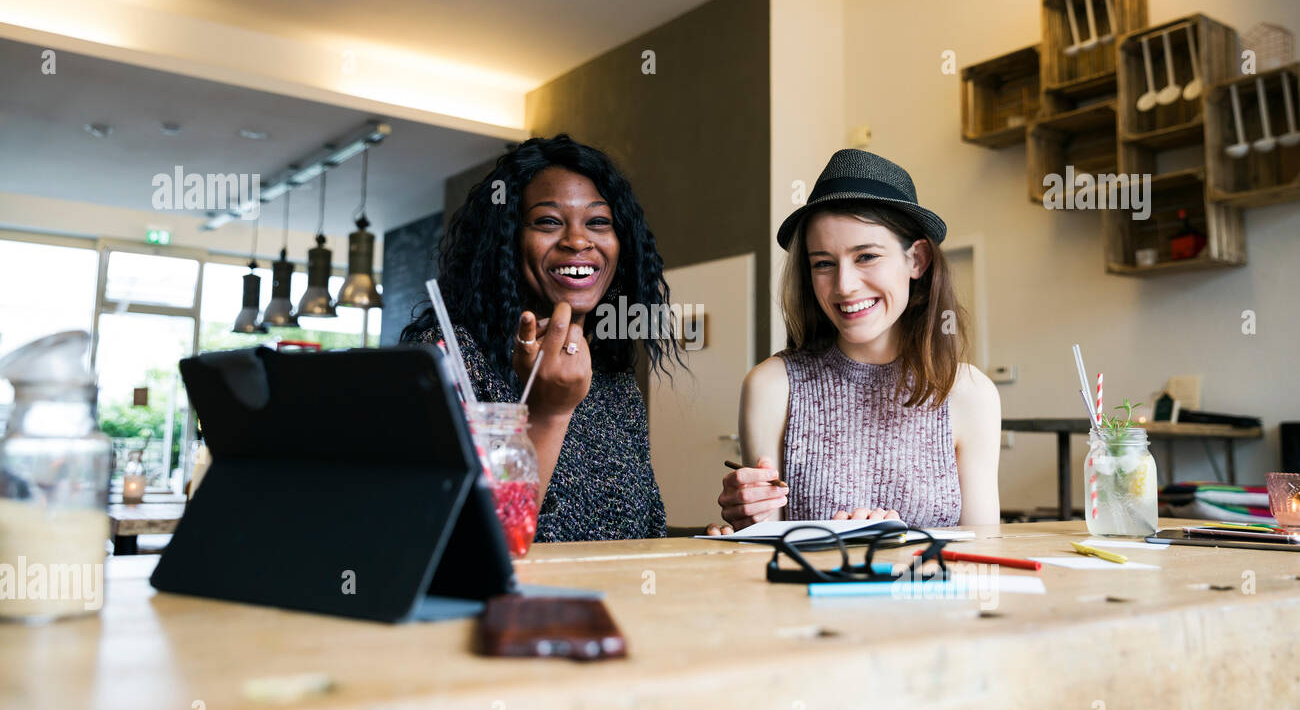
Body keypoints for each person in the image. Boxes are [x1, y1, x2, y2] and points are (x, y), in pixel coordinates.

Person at [401, 134, 680, 542]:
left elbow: (648, 529)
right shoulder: (450, 359)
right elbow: (463, 541)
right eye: (548, 221)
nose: (578, 241)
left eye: (599, 222)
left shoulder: (614, 381)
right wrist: (548, 412)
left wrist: (722, 539)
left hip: (620, 603)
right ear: (507, 242)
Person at [711, 149, 1001, 533]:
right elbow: (765, 552)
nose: (844, 286)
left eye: (865, 256)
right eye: (824, 263)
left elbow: (982, 558)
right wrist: (747, 522)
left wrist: (900, 545)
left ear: (917, 260)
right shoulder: (770, 386)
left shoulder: (969, 393)